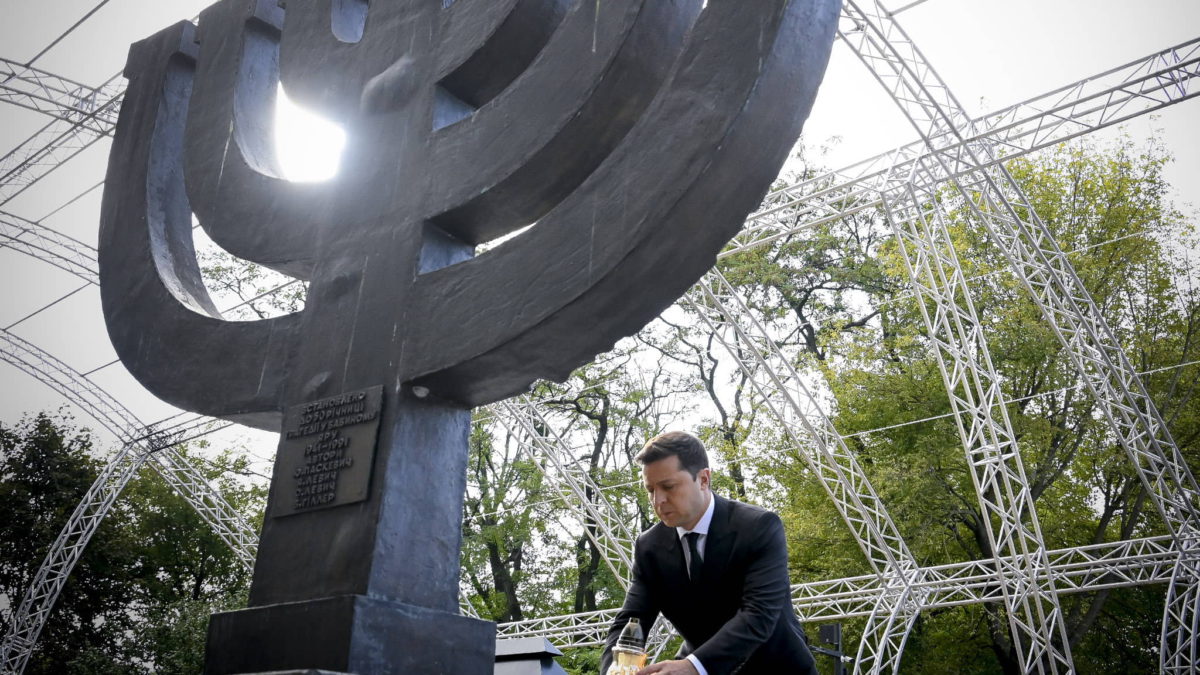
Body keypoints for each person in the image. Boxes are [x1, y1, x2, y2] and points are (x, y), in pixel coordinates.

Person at [600, 431, 817, 675]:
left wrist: (694, 666)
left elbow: (759, 614)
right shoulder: (649, 547)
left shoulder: (758, 526)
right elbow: (632, 619)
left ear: (704, 479)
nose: (657, 500)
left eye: (668, 487)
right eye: (650, 490)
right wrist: (614, 669)